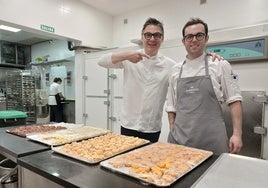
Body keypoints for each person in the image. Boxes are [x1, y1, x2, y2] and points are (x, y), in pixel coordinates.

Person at [98, 17, 221, 143]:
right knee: (125, 161)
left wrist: (207, 58)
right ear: (142, 37)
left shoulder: (170, 65)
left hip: (151, 129)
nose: (152, 39)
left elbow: (190, 69)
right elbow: (101, 61)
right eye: (148, 35)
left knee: (149, 162)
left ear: (162, 39)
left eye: (157, 35)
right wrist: (126, 55)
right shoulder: (129, 59)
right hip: (128, 125)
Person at [166, 18, 243, 155]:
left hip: (212, 141)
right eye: (189, 36)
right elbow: (171, 105)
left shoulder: (220, 65)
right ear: (183, 41)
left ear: (206, 38)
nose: (194, 40)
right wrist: (172, 128)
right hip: (180, 142)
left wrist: (237, 134)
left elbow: (234, 100)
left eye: (199, 35)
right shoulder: (175, 70)